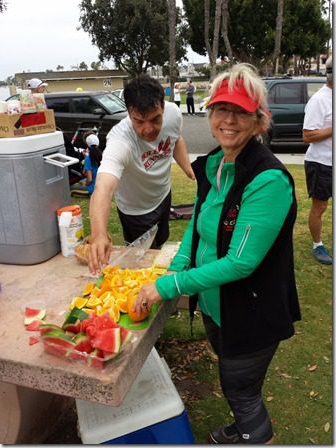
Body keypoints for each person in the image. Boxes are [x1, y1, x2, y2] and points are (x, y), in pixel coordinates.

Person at [133, 63, 301, 444]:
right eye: (221, 109)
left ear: (259, 121)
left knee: (240, 389)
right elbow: (196, 227)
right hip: (216, 304)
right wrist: (174, 272)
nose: (228, 120)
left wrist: (173, 284)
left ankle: (254, 435)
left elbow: (242, 262)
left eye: (240, 111)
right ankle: (244, 428)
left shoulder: (268, 180)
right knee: (231, 378)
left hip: (252, 311)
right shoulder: (215, 165)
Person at [88, 74, 195, 274]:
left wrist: (187, 168)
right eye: (139, 121)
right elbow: (103, 187)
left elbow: (175, 139)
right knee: (141, 263)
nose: (148, 129)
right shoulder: (120, 140)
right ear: (129, 113)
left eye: (155, 119)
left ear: (163, 107)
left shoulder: (173, 114)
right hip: (135, 210)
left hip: (163, 195)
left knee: (161, 245)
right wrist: (99, 234)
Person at [302, 56, 332, 265]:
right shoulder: (320, 100)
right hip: (322, 164)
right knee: (319, 208)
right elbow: (308, 135)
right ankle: (317, 245)